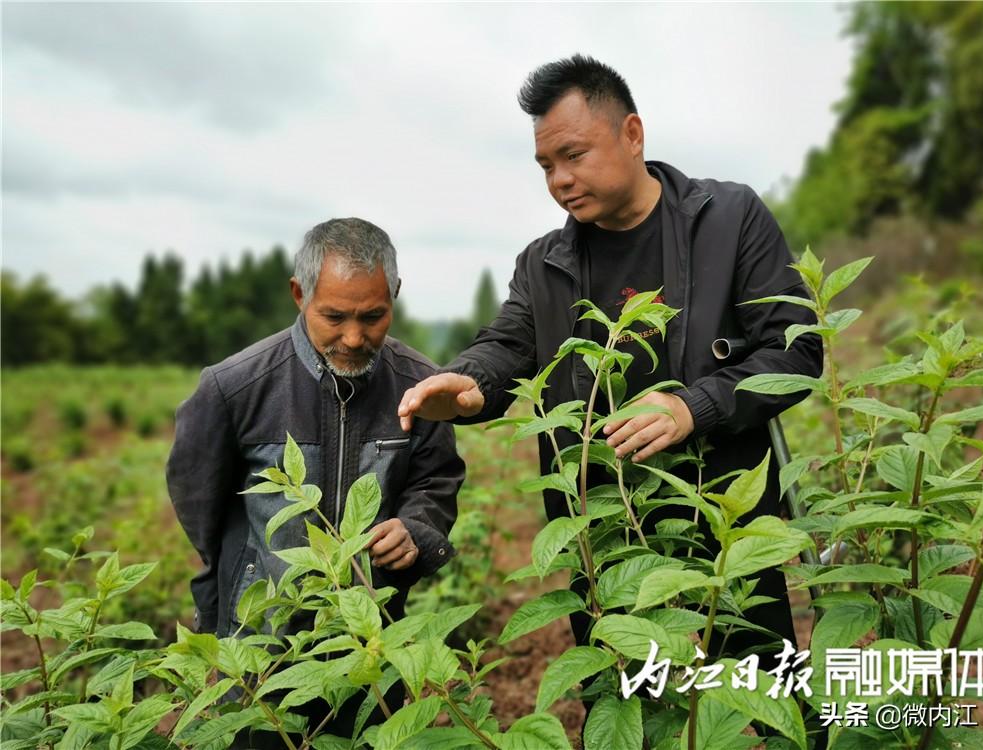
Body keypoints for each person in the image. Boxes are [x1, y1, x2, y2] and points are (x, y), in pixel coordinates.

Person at [397, 55, 823, 662]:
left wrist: (692, 407)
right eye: (546, 165)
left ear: (632, 134)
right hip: (603, 526)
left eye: (574, 155)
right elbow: (507, 343)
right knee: (624, 690)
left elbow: (796, 347)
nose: (560, 180)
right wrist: (468, 382)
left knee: (760, 681)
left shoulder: (727, 219)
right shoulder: (544, 261)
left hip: (724, 512)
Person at [167, 217, 464, 743]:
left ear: (395, 294)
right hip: (260, 639)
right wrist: (246, 573)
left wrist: (415, 529)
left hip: (370, 640)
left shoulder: (419, 387)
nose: (354, 337)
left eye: (373, 316)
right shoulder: (233, 388)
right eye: (334, 316)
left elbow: (436, 481)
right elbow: (199, 500)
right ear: (299, 294)